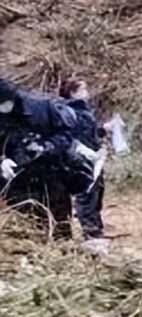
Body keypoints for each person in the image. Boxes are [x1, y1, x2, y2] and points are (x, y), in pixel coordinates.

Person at [0, 77, 95, 241]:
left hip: (51, 175)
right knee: (26, 231)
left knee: (60, 228)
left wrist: (47, 147)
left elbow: (67, 134)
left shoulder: (41, 107)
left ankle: (63, 252)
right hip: (17, 181)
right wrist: (2, 161)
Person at [60, 80, 106, 247]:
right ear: (73, 92)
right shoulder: (70, 111)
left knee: (97, 192)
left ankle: (96, 227)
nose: (87, 91)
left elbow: (91, 132)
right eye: (83, 89)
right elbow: (73, 137)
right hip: (81, 158)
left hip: (94, 157)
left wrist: (103, 131)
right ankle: (91, 232)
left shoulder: (83, 110)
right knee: (86, 194)